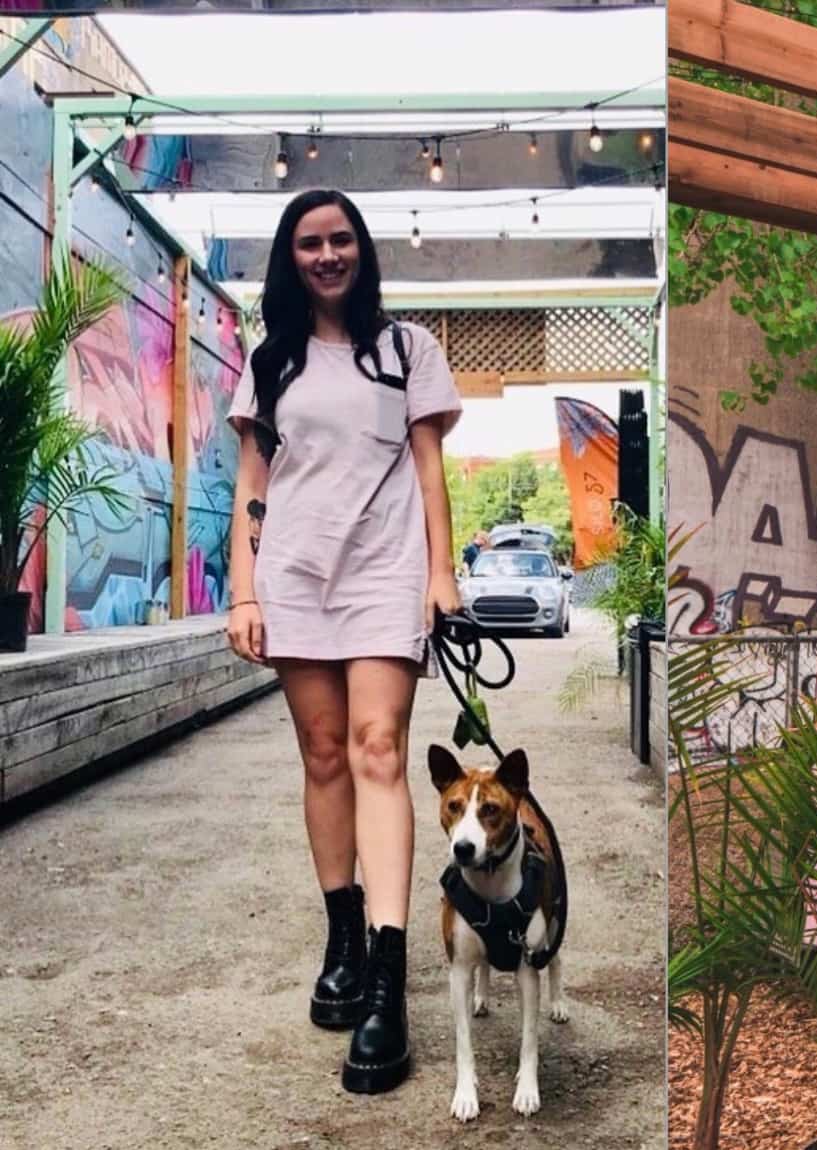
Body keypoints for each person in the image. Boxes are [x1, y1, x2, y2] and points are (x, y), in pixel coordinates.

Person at [224, 189, 462, 1095]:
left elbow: (430, 470)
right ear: (291, 258)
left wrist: (442, 575)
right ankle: (343, 935)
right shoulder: (271, 360)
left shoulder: (407, 351)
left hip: (381, 573)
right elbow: (255, 476)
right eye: (310, 243)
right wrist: (244, 590)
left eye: (341, 240)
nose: (327, 255)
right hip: (292, 573)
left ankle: (389, 985)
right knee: (324, 755)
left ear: (362, 250)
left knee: (377, 751)